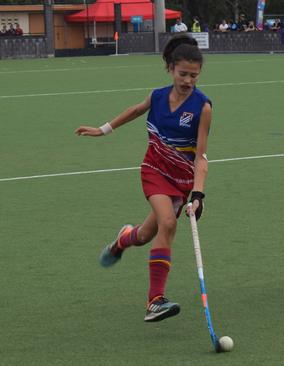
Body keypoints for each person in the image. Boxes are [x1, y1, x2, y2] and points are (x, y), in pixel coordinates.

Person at [74, 34, 213, 322]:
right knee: (169, 223)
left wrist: (198, 195)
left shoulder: (203, 107)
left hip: (182, 180)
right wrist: (103, 129)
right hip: (154, 170)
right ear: (171, 69)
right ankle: (155, 301)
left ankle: (123, 239)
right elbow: (135, 111)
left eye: (194, 76)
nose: (188, 81)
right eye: (183, 74)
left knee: (146, 235)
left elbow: (200, 157)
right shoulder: (158, 96)